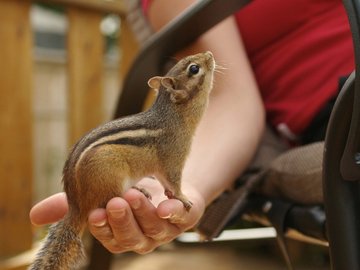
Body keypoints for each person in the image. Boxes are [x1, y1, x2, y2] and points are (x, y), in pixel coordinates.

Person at [30, 0, 354, 254]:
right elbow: (231, 102)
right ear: (178, 91)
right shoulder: (174, 127)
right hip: (340, 110)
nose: (209, 60)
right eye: (198, 67)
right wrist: (186, 192)